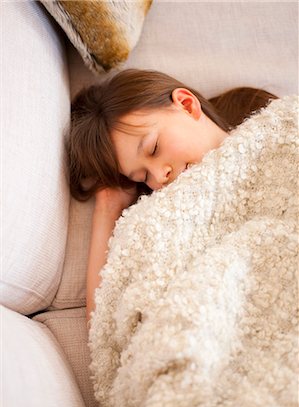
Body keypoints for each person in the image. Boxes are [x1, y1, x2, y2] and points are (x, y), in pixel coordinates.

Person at [66, 69, 277, 327]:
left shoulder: (270, 126)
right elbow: (104, 327)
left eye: (154, 149)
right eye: (142, 176)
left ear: (186, 105)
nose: (159, 176)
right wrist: (108, 208)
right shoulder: (161, 216)